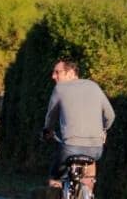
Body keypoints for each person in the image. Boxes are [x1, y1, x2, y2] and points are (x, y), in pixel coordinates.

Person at [41, 59, 115, 191]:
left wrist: (48, 131)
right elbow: (110, 115)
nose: (53, 76)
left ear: (71, 73)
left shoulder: (60, 88)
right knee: (90, 164)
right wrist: (103, 130)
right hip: (96, 149)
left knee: (55, 177)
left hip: (70, 147)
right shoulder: (93, 86)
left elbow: (50, 117)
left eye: (57, 72)